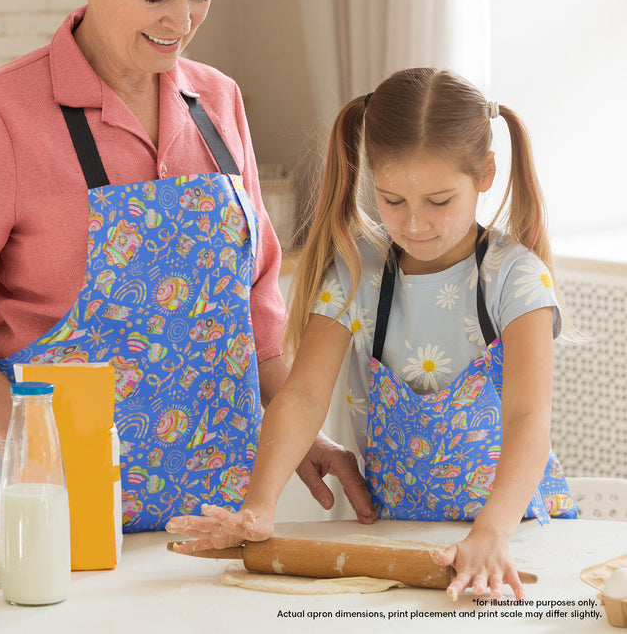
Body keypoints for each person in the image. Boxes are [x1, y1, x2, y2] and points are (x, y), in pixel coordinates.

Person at [0, 0, 372, 532]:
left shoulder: (218, 102)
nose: (181, 20)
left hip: (217, 514)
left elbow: (255, 298)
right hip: (54, 507)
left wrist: (296, 432)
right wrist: (29, 439)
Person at [167, 67, 578, 599]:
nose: (414, 224)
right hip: (400, 542)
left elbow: (529, 418)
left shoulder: (515, 280)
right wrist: (259, 505)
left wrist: (492, 532)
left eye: (439, 201)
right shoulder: (359, 271)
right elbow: (303, 394)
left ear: (485, 174)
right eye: (392, 200)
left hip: (513, 541)